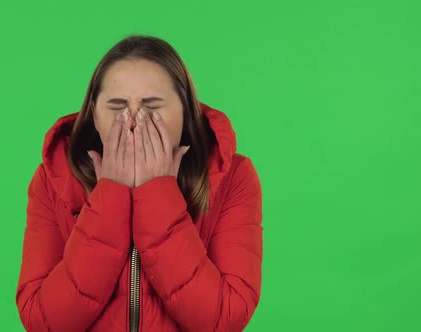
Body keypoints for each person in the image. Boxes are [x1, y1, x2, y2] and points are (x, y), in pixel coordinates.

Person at [15, 34, 263, 332]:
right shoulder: (53, 179)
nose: (133, 121)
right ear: (94, 115)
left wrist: (158, 192)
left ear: (185, 111)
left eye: (153, 106)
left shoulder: (234, 176)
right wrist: (110, 196)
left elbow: (225, 317)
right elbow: (42, 322)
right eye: (117, 106)